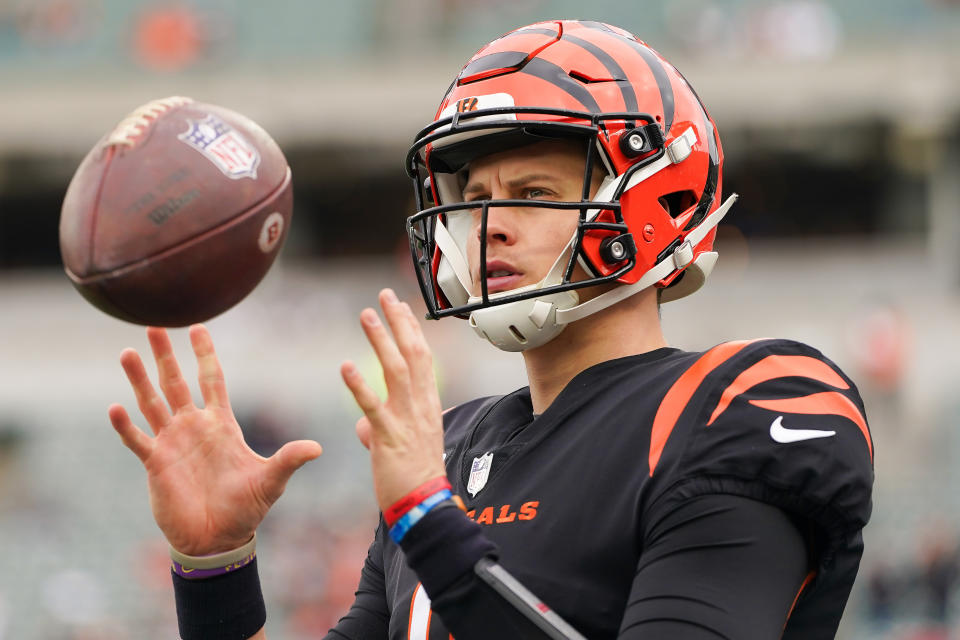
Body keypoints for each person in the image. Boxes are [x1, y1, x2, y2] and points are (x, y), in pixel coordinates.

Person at [108, 20, 875, 640]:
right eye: (472, 199)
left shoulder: (743, 402)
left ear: (652, 200)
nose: (489, 228)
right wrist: (216, 567)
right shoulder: (452, 445)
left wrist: (426, 517)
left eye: (533, 192)